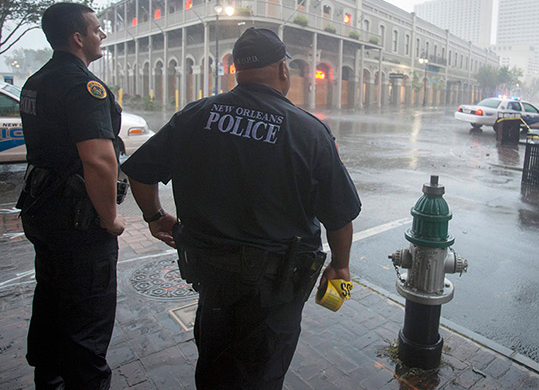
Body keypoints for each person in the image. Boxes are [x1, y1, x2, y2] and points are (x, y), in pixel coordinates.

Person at [121, 27, 361, 389]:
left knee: (214, 363)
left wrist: (155, 217)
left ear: (236, 69)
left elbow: (140, 172)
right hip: (275, 289)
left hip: (211, 278)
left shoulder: (195, 115)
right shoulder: (309, 132)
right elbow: (339, 217)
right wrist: (340, 266)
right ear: (283, 70)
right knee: (262, 371)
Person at [16, 2, 126, 390]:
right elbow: (98, 160)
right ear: (78, 38)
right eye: (97, 30)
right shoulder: (84, 86)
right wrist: (110, 218)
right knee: (86, 319)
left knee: (50, 298)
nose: (102, 35)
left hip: (42, 210)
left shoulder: (36, 81)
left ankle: (48, 377)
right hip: (78, 222)